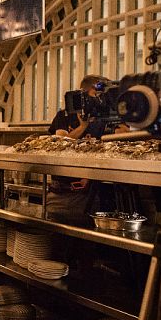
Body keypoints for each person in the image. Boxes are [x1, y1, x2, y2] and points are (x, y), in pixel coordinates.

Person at [46, 74, 116, 221]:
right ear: (84, 93)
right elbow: (59, 143)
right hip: (61, 195)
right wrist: (83, 126)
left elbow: (119, 140)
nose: (99, 99)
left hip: (89, 196)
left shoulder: (101, 118)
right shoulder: (64, 115)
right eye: (96, 94)